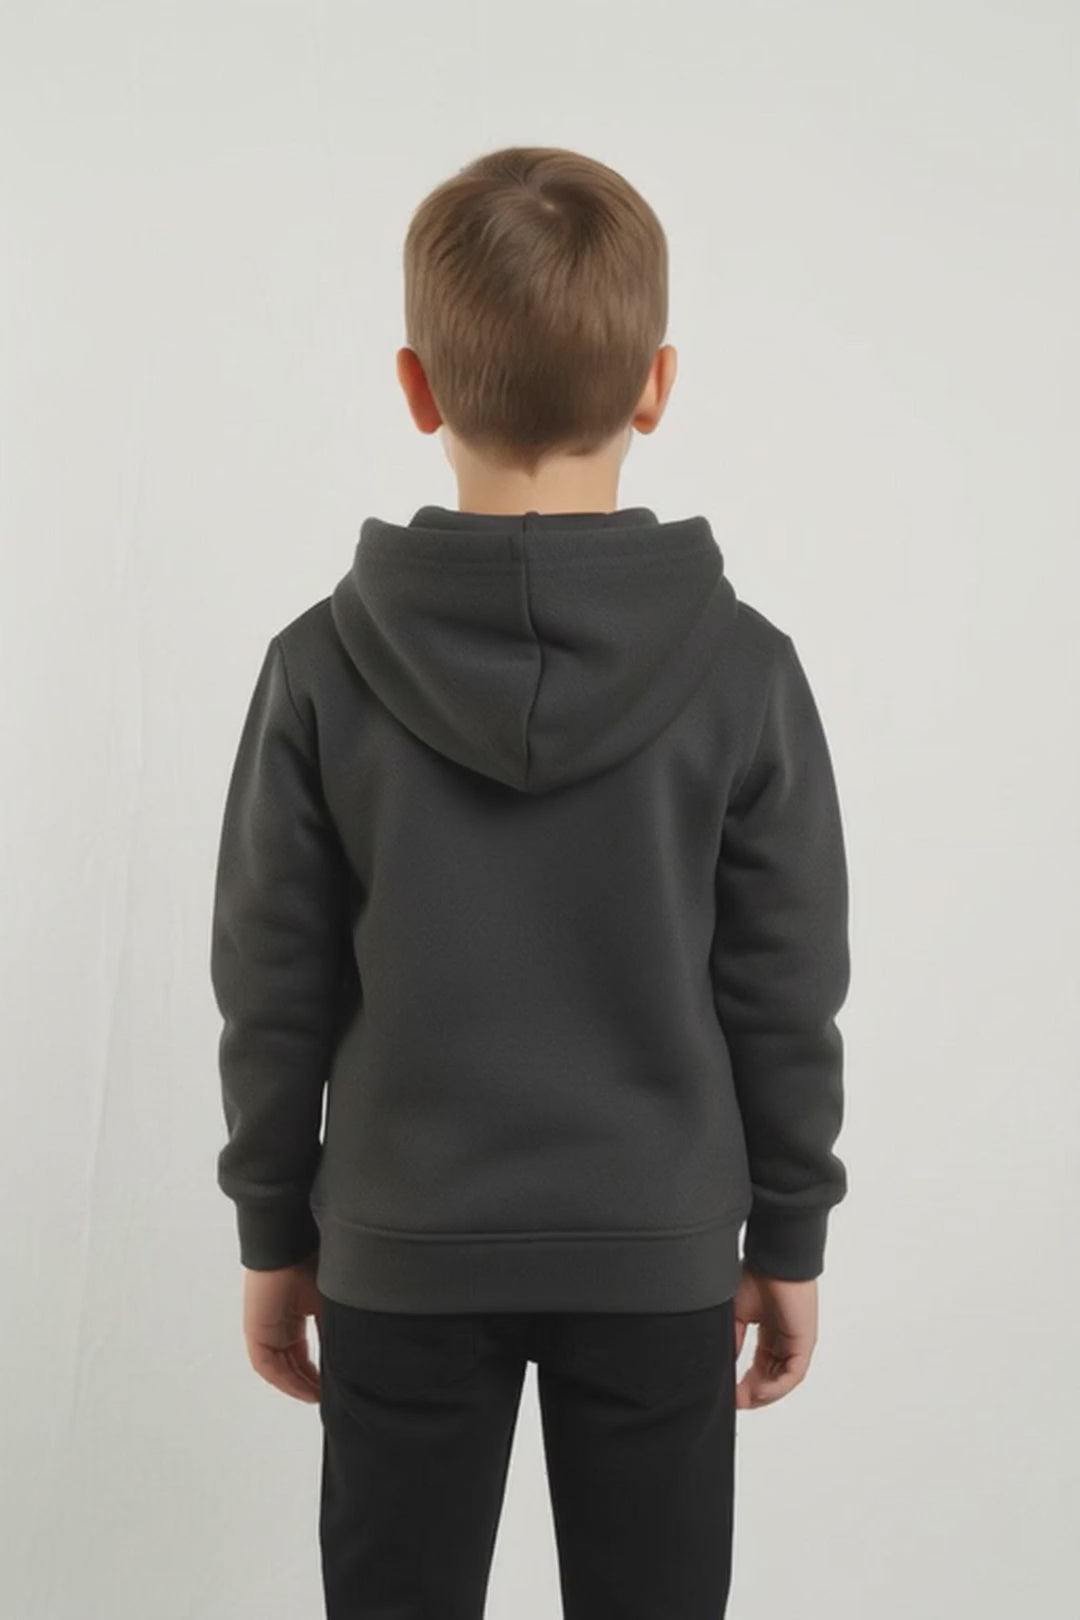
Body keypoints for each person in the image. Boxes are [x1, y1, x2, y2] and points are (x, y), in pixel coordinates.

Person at [210, 144, 851, 1620]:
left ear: (417, 387)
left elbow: (271, 981)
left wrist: (272, 1227)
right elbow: (785, 985)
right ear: (658, 386)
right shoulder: (743, 672)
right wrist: (790, 1231)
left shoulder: (319, 669)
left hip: (400, 1245)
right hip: (658, 1248)